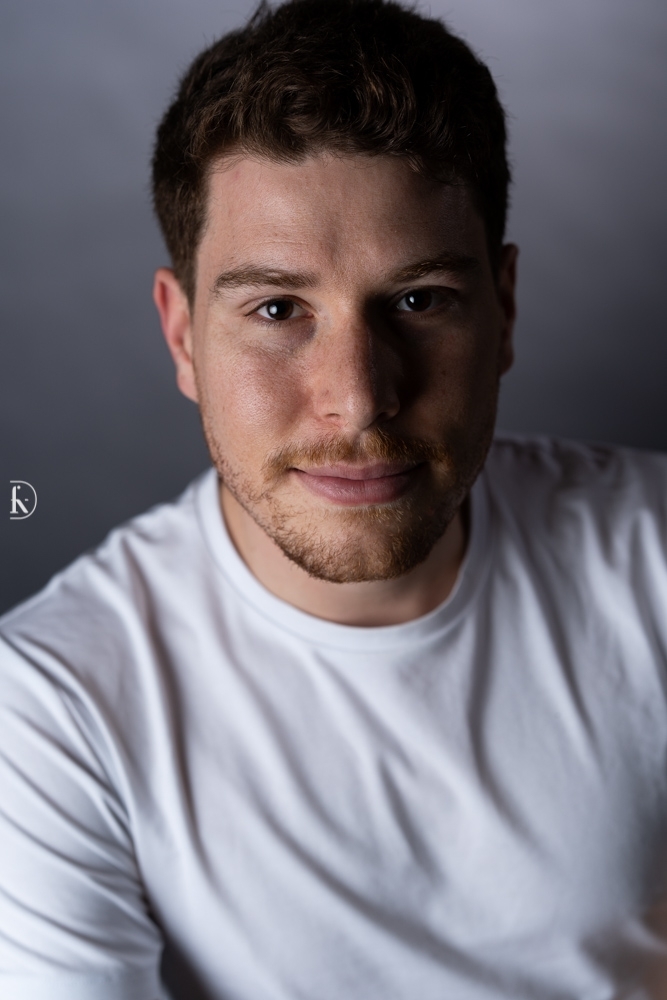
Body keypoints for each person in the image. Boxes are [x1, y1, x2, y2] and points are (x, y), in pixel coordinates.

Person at [1, 0, 667, 996]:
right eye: (277, 309)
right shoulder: (51, 710)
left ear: (504, 308)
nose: (357, 397)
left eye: (419, 301)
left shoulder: (652, 553)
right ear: (183, 337)